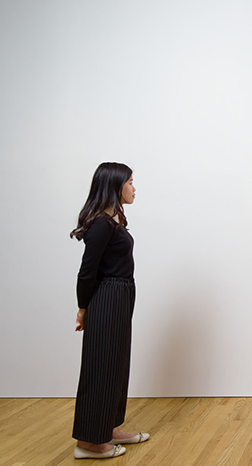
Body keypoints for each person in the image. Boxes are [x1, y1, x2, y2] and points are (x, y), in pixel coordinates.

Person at [69, 162, 149, 459]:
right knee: (101, 366)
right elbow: (87, 270)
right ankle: (89, 442)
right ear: (116, 186)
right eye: (130, 182)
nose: (134, 187)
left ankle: (110, 427)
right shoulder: (101, 223)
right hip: (107, 297)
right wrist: (82, 308)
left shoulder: (114, 219)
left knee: (116, 364)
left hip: (120, 294)